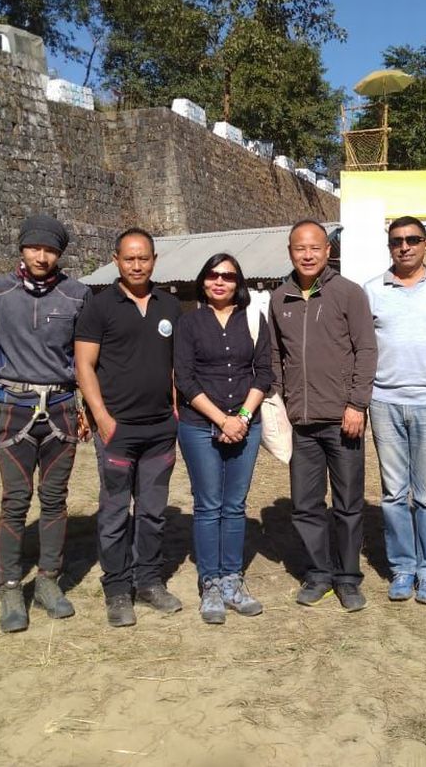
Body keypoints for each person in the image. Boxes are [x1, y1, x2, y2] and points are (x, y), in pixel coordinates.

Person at [0, 215, 89, 633]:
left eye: (50, 250)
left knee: (54, 498)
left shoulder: (78, 295)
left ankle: (48, 580)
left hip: (61, 408)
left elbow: (87, 355)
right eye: (34, 248)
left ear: (59, 253)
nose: (41, 256)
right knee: (14, 499)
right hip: (14, 409)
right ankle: (10, 586)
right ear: (22, 249)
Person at [75, 228, 183, 627]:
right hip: (117, 430)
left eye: (144, 258)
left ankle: (149, 581)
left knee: (153, 513)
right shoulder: (99, 306)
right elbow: (84, 364)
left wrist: (174, 408)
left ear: (154, 259)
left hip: (159, 431)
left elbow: (176, 364)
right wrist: (100, 416)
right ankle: (117, 589)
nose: (137, 265)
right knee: (115, 511)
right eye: (129, 258)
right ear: (116, 260)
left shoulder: (170, 306)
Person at [270, 220, 377, 611]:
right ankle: (319, 574)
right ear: (290, 251)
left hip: (342, 419)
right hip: (302, 423)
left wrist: (357, 404)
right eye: (300, 248)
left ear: (328, 251)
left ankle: (348, 578)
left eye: (315, 247)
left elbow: (366, 350)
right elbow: (275, 357)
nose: (308, 254)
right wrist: (283, 402)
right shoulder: (279, 298)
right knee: (305, 504)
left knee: (348, 504)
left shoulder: (348, 294)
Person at [174, 253, 273, 624]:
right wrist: (221, 419)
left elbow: (263, 372)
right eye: (213, 275)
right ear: (203, 281)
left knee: (235, 505)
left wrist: (243, 418)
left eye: (228, 276)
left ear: (238, 283)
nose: (220, 281)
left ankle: (232, 579)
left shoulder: (253, 320)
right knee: (208, 504)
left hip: (246, 422)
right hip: (200, 425)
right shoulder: (189, 323)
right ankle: (210, 583)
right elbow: (184, 378)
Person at [364, 217, 426, 606]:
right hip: (384, 403)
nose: (404, 247)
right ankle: (403, 567)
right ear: (389, 246)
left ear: (425, 245)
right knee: (393, 494)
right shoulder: (371, 290)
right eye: (396, 241)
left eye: (412, 240)